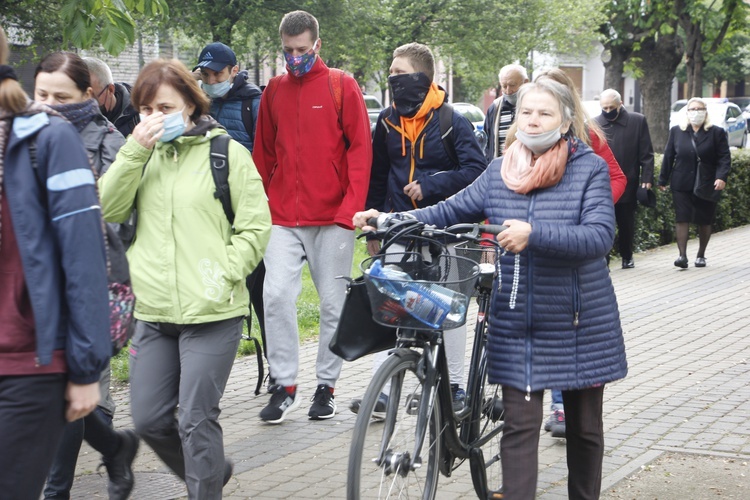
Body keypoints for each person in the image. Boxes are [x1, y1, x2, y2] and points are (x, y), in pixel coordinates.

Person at [354, 78, 628, 499]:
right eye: (526, 113)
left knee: (584, 430)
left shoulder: (587, 167)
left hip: (578, 321)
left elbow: (598, 237)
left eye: (545, 113)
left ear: (567, 120)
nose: (533, 121)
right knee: (519, 426)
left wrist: (534, 233)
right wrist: (388, 219)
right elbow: (449, 209)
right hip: (516, 318)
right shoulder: (499, 171)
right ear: (515, 120)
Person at [98, 59, 271, 499]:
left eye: (164, 107)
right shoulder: (138, 154)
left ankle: (204, 487)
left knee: (196, 419)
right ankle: (212, 469)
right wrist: (134, 150)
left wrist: (225, 273)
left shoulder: (227, 153)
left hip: (212, 311)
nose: (154, 118)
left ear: (191, 105)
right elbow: (106, 210)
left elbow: (255, 228)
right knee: (149, 420)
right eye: (145, 109)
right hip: (154, 311)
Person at [0, 26, 110, 500]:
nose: (49, 102)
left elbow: (84, 256)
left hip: (26, 364)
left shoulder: (47, 138)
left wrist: (85, 368)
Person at [352, 42, 486, 414]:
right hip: (401, 228)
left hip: (450, 230)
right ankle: (384, 388)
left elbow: (477, 172)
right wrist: (376, 228)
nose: (393, 79)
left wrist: (433, 185)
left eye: (399, 73)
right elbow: (379, 176)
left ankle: (456, 387)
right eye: (391, 73)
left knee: (451, 310)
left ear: (422, 78)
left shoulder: (450, 122)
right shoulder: (388, 121)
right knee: (394, 302)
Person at [252, 10, 372, 423]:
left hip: (333, 217)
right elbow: (263, 153)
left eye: (301, 50)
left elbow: (359, 149)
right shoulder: (274, 91)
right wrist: (263, 204)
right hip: (282, 215)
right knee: (275, 296)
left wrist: (350, 208)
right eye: (287, 50)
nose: (294, 57)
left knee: (332, 305)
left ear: (317, 45)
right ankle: (284, 385)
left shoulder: (342, 85)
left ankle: (327, 385)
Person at [34, 51, 139, 500]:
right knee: (52, 389)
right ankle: (115, 447)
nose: (49, 104)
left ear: (89, 95)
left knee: (70, 387)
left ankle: (56, 490)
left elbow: (124, 222)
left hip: (86, 280)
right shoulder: (21, 136)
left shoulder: (110, 142)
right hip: (32, 281)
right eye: (41, 94)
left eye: (61, 96)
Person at [194, 41, 268, 381]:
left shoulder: (255, 103)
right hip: (210, 217)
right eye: (205, 74)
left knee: (262, 295)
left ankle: (276, 370)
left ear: (234, 71)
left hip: (249, 213)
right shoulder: (197, 104)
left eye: (217, 73)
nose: (211, 80)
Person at [658, 97, 730, 268]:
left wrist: (721, 177)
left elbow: (724, 158)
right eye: (692, 109)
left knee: (704, 219)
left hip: (706, 182)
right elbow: (669, 156)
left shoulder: (716, 133)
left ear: (705, 112)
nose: (695, 112)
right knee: (682, 217)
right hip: (681, 182)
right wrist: (662, 179)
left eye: (699, 109)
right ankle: (682, 256)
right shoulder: (677, 131)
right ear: (687, 112)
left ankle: (701, 254)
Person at [595, 89, 655, 269]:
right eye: (604, 108)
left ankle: (627, 255)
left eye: (611, 107)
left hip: (628, 180)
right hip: (602, 183)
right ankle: (604, 258)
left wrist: (646, 179)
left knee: (626, 221)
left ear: (620, 105)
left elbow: (647, 154)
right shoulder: (594, 124)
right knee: (604, 221)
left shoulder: (637, 121)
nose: (607, 111)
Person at [83, 56, 140, 137]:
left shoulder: (141, 112)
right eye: (80, 98)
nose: (85, 106)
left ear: (110, 90)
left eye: (92, 99)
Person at [483, 63, 529, 161]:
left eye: (512, 85)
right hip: (499, 169)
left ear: (525, 82)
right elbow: (487, 145)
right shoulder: (494, 108)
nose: (508, 91)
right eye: (504, 86)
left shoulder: (536, 106)